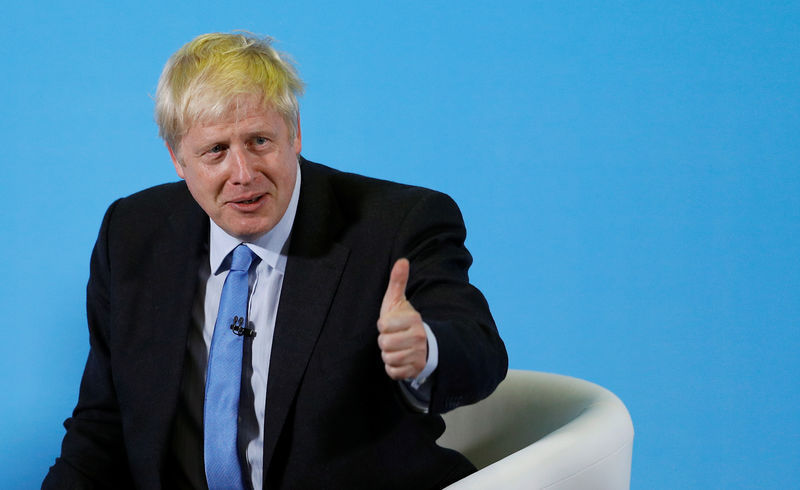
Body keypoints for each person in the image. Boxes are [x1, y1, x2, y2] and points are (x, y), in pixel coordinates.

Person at [43, 32, 507, 490]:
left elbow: (480, 351)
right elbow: (102, 426)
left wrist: (425, 349)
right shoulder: (132, 233)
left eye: (260, 141)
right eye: (216, 151)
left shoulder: (396, 223)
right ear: (177, 158)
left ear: (295, 132)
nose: (243, 174)